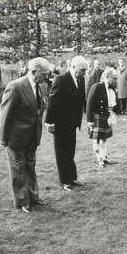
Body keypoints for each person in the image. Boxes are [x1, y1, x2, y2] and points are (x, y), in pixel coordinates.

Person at [0, 57, 50, 213]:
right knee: (18, 168)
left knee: (30, 166)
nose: (47, 77)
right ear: (34, 72)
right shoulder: (15, 87)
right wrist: (2, 136)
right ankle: (22, 201)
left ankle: (33, 197)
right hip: (16, 136)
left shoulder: (39, 86)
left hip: (32, 136)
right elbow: (5, 113)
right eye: (44, 74)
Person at [45, 56, 87, 192]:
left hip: (72, 123)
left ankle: (72, 178)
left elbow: (80, 100)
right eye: (82, 70)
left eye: (85, 70)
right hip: (60, 123)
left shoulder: (80, 80)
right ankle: (64, 180)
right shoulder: (61, 79)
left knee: (70, 151)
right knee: (62, 152)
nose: (84, 73)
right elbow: (53, 101)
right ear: (73, 66)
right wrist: (50, 122)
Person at [87, 68, 118, 168]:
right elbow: (89, 104)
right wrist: (89, 120)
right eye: (114, 78)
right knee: (96, 139)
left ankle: (104, 157)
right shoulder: (97, 87)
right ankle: (99, 159)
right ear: (108, 77)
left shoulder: (111, 88)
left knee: (104, 138)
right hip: (97, 116)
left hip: (107, 115)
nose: (116, 80)